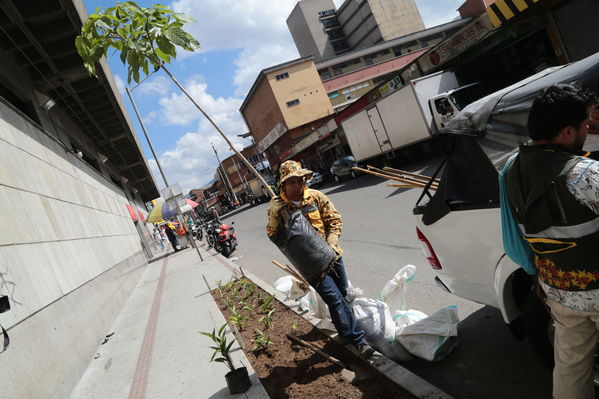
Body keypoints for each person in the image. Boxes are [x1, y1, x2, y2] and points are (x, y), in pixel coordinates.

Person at [503, 84, 599, 399]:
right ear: (568, 132)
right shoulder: (586, 174)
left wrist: (538, 279)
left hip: (558, 292)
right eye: (586, 125)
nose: (590, 130)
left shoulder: (510, 170)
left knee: (571, 367)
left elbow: (514, 239)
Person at [266, 160, 375, 359]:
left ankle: (344, 333)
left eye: (300, 181)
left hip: (332, 257)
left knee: (342, 295)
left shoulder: (316, 197)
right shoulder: (278, 207)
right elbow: (274, 236)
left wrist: (332, 242)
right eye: (292, 183)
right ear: (283, 185)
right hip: (310, 265)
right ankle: (359, 342)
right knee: (334, 299)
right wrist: (274, 216)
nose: (298, 186)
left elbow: (334, 220)